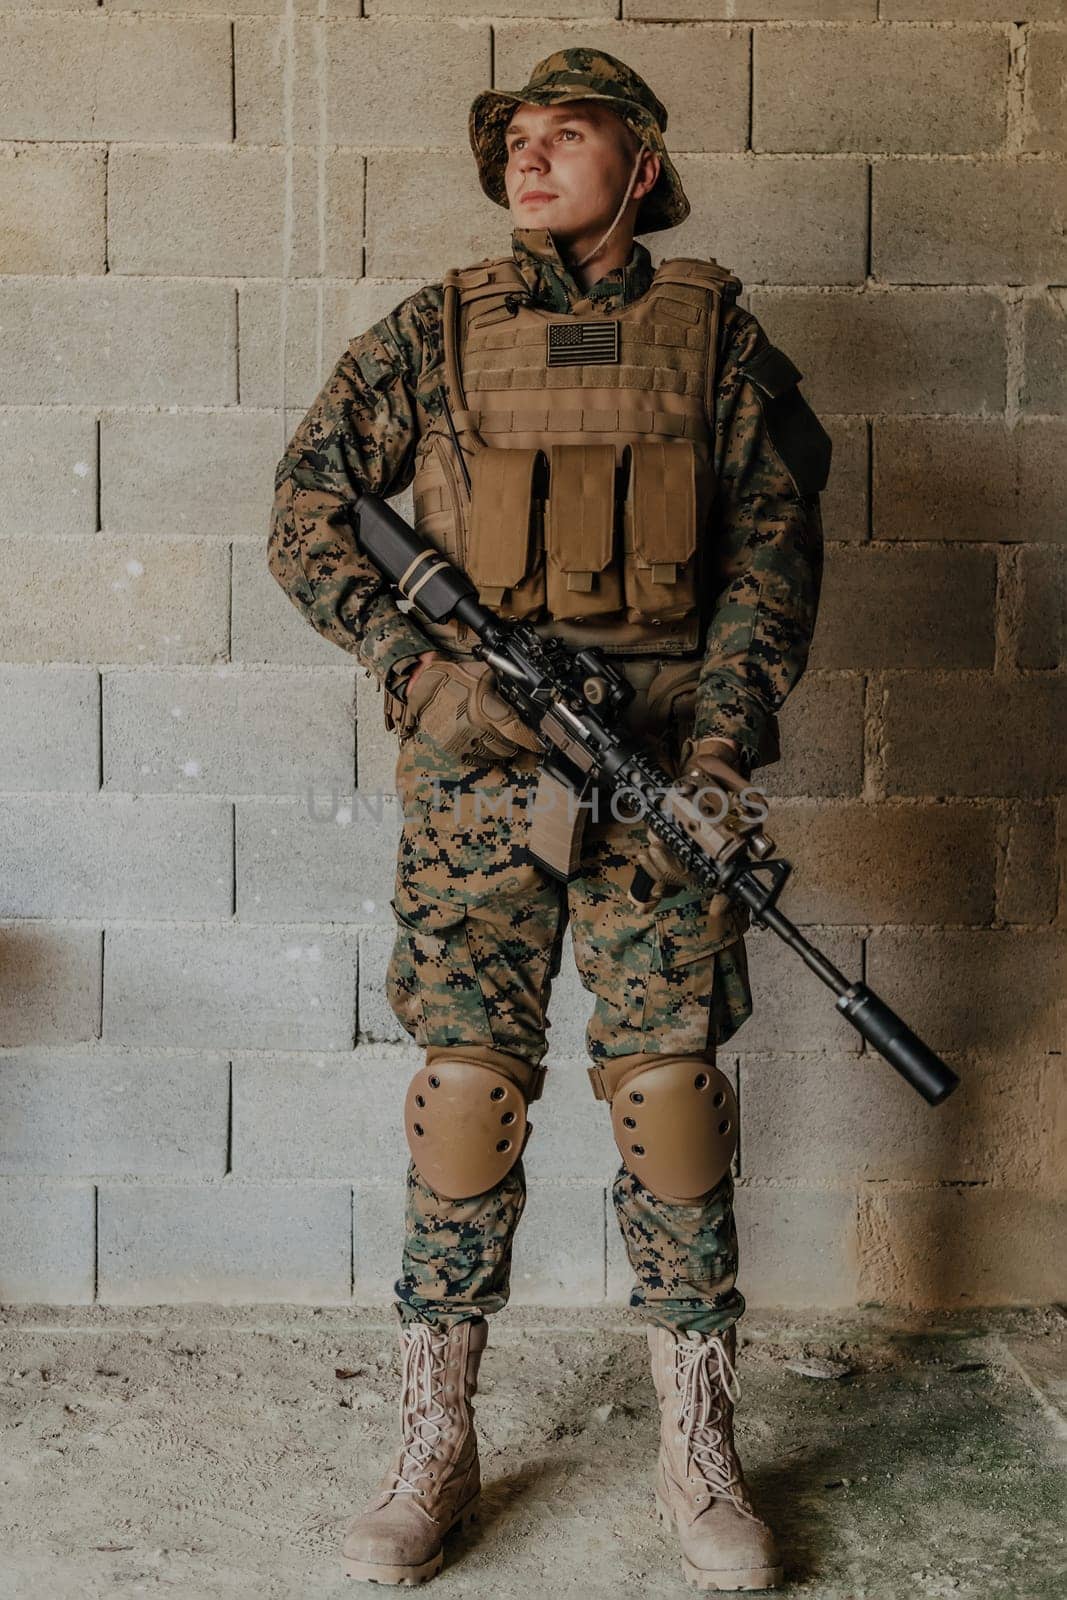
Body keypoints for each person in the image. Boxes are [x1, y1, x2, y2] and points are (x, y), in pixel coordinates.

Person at [268, 47, 830, 1592]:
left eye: (565, 135)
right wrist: (421, 672)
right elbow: (307, 503)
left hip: (653, 777)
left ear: (638, 164)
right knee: (464, 1098)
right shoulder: (435, 335)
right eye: (514, 137)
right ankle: (434, 1441)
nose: (530, 158)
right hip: (480, 782)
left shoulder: (715, 344)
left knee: (670, 1102)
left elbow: (773, 566)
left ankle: (698, 1446)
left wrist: (716, 751)